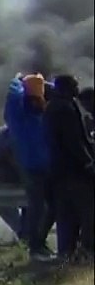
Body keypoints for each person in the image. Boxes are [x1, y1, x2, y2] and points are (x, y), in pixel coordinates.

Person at [4, 74, 56, 261]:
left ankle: (39, 243)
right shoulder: (19, 114)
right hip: (32, 168)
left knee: (52, 207)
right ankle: (35, 247)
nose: (38, 101)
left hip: (47, 167)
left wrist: (41, 84)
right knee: (38, 208)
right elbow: (13, 90)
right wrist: (19, 78)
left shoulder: (41, 114)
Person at [43, 75, 95, 261]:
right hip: (73, 170)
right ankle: (86, 250)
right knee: (88, 211)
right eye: (74, 85)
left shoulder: (53, 106)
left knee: (66, 215)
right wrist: (88, 163)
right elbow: (74, 141)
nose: (77, 88)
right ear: (65, 87)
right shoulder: (64, 108)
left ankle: (67, 252)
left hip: (60, 171)